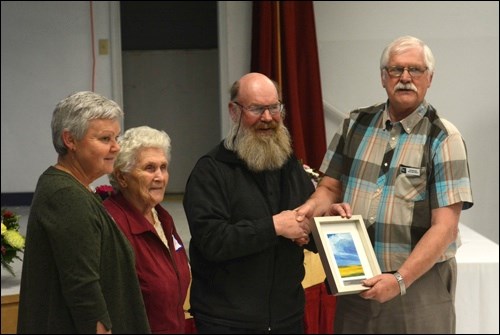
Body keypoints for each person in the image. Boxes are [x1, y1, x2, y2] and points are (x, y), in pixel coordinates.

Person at [296, 35, 474, 333]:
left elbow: (446, 228)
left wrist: (400, 280)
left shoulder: (444, 137)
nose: (405, 78)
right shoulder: (355, 124)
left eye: (415, 70)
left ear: (429, 78)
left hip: (418, 286)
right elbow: (329, 188)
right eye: (396, 70)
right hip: (356, 280)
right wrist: (309, 212)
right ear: (383, 77)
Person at [183, 72, 315, 334]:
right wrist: (273, 226)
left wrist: (321, 224)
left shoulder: (288, 164)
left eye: (274, 108)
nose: (267, 118)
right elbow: (212, 241)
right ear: (234, 112)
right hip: (227, 322)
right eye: (256, 109)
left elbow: (304, 223)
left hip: (287, 318)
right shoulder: (210, 171)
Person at [17, 91, 151, 334]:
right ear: (70, 140)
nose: (115, 147)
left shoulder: (74, 189)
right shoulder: (65, 195)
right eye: (104, 139)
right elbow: (84, 289)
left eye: (116, 137)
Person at [103, 126, 191, 334]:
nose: (160, 177)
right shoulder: (112, 224)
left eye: (163, 167)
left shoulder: (163, 218)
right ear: (122, 177)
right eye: (150, 168)